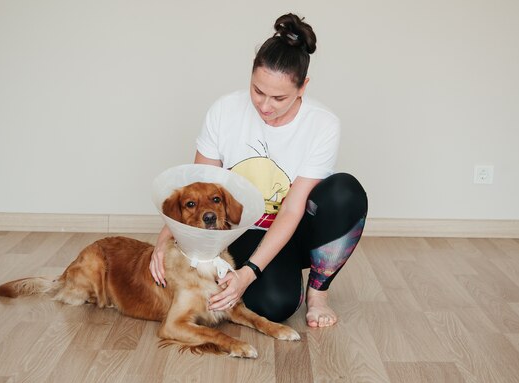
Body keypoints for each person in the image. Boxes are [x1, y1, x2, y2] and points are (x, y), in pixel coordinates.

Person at [150, 13, 368, 328]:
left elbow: (293, 209)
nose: (265, 106)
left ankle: (318, 293)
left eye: (279, 98)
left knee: (344, 191)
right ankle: (276, 274)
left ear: (303, 87)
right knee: (273, 305)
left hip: (292, 228)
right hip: (240, 228)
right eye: (257, 91)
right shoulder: (224, 111)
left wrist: (248, 273)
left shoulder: (323, 124)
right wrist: (164, 240)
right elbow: (198, 188)